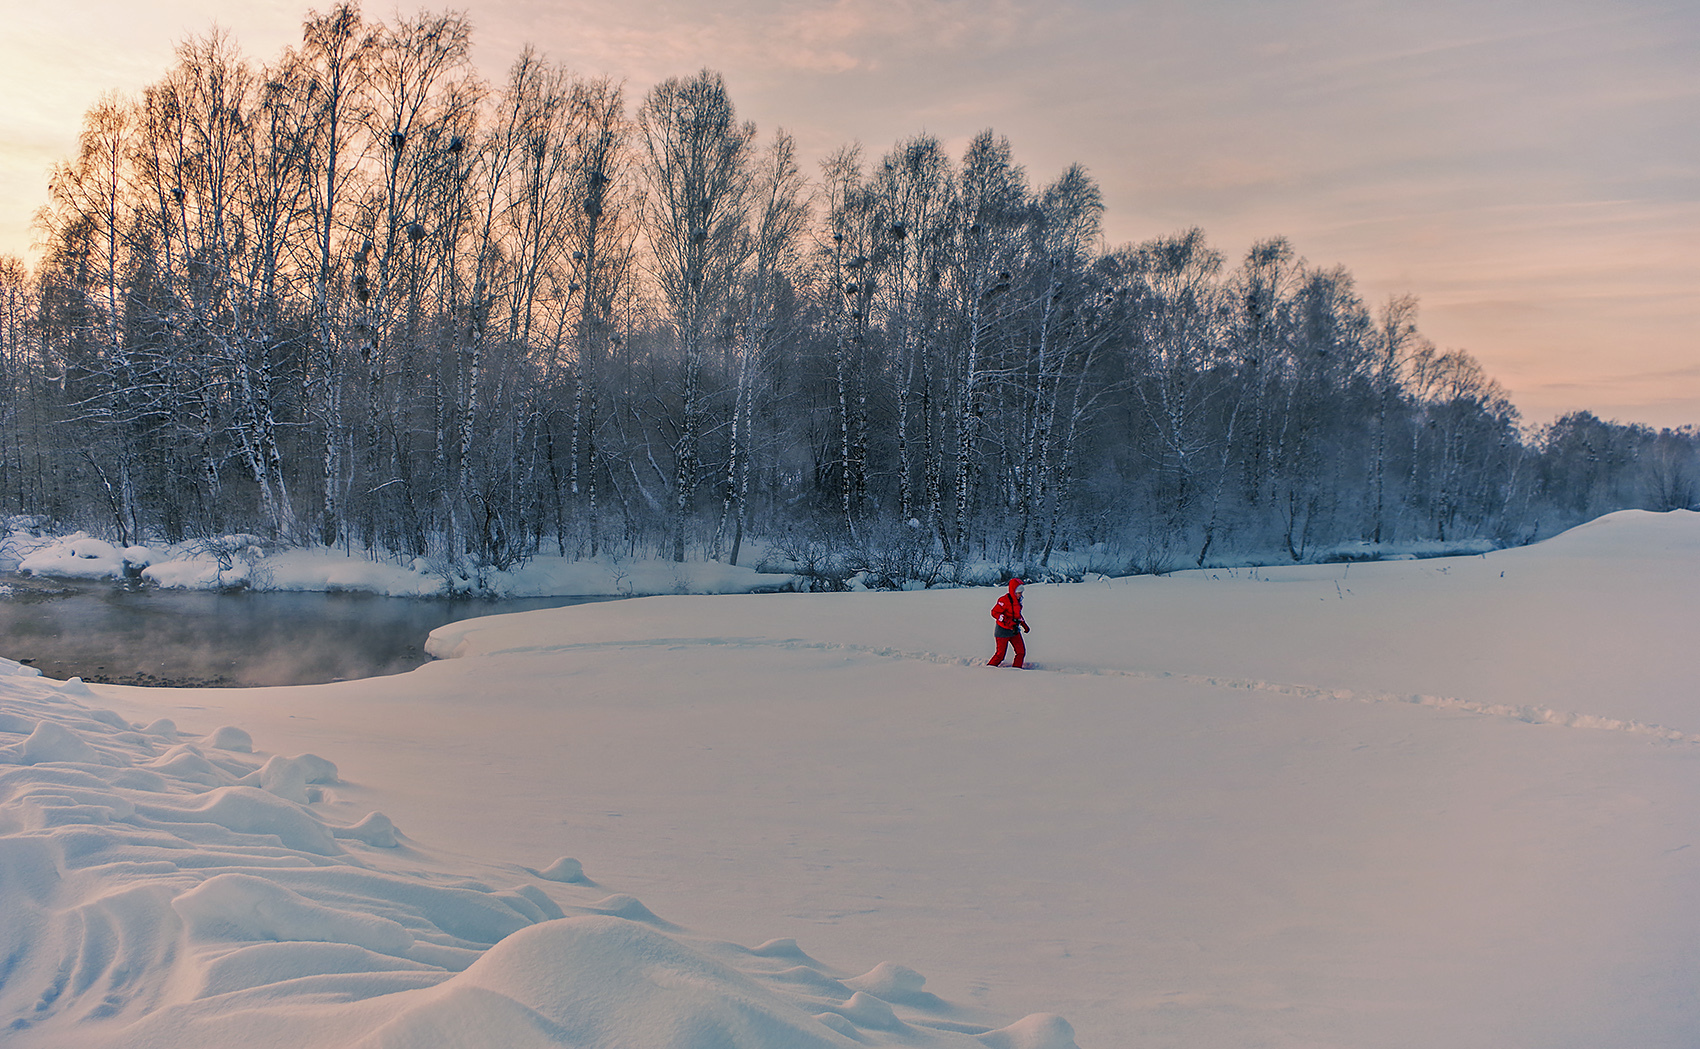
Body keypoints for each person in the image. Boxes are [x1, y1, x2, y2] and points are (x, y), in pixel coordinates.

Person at [987, 577, 1030, 668]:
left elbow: (1018, 615)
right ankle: (989, 669)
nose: (1020, 595)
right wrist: (1007, 621)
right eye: (1018, 593)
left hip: (1014, 630)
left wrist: (1024, 624)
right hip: (1002, 631)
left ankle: (1016, 670)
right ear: (1013, 591)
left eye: (1021, 593)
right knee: (1000, 655)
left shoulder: (1018, 602)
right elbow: (994, 613)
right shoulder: (1004, 600)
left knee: (1021, 652)